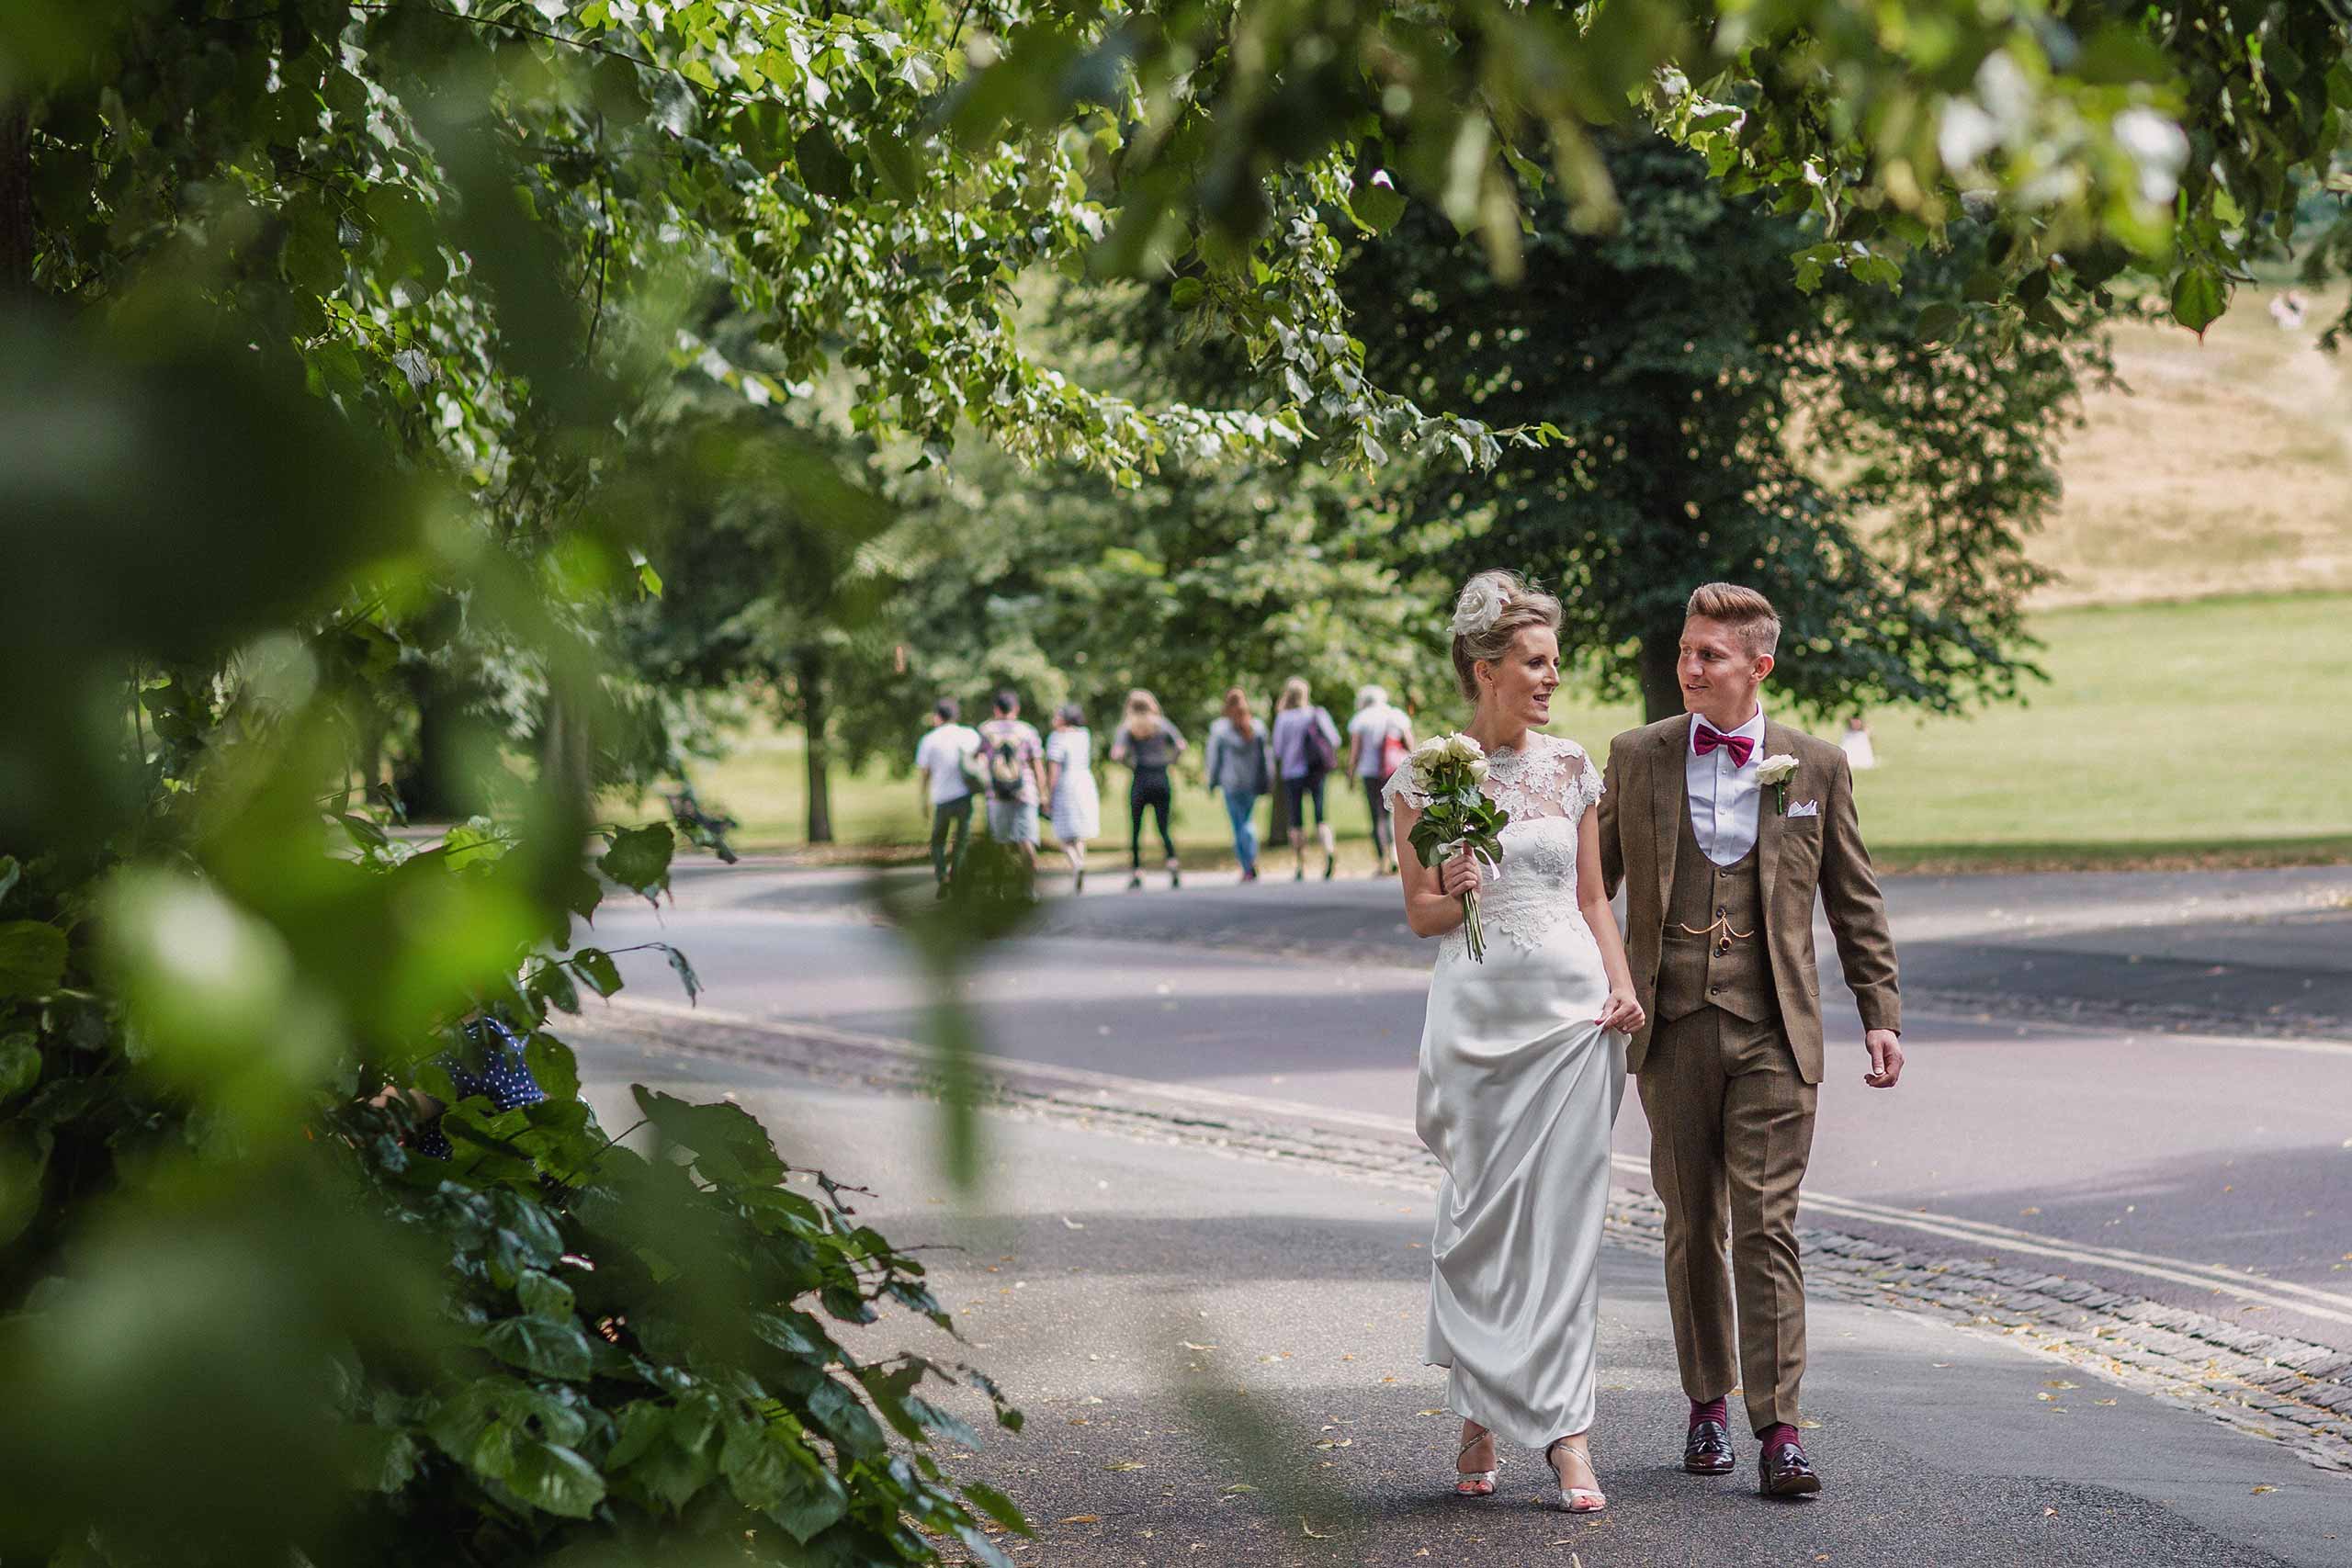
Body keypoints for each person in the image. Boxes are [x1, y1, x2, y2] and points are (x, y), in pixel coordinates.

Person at [1597, 582, 1903, 1501]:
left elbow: (1853, 898)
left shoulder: (1811, 765)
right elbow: (1589, 885)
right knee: (1694, 1223)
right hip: (1673, 1027)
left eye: (1708, 656)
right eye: (1685, 651)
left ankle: (1779, 1429)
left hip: (1775, 1029)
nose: (1687, 668)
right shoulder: (1638, 756)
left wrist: (1878, 1012)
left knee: (1766, 1225)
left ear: (1758, 666)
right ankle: (1705, 1407)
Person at [1386, 570, 1644, 1514]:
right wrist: (1449, 882)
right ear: (1484, 668)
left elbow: (1590, 897)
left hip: (1575, 1021)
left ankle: (1568, 1436)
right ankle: (1478, 1411)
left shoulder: (1571, 767)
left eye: (1554, 665)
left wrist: (1621, 986)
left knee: (1566, 1229)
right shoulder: (1421, 779)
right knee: (1480, 1226)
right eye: (1534, 665)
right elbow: (1419, 916)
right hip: (1478, 1023)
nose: (1549, 680)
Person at [1108, 688, 1187, 891]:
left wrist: (1129, 764)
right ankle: (1172, 864)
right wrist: (1171, 761)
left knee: (1136, 829)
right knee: (1163, 828)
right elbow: (1181, 745)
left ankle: (1136, 872)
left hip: (1141, 778)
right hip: (1161, 777)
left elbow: (1116, 754)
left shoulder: (1128, 727)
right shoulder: (1161, 724)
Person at [1270, 677, 1340, 881]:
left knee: (1296, 819)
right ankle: (1328, 852)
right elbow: (1334, 739)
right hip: (1316, 771)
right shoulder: (1317, 713)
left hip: (1292, 773)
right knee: (1321, 816)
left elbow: (1278, 749)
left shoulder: (1283, 718)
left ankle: (1300, 865)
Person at [1204, 687, 1273, 882]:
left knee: (1238, 825)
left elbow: (1214, 759)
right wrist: (1268, 779)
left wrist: (1211, 781)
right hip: (1251, 782)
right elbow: (1265, 758)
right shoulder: (1257, 727)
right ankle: (1251, 861)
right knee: (1248, 821)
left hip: (1231, 783)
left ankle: (1247, 865)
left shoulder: (1220, 729)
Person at [913, 696, 981, 897]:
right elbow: (979, 757)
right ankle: (957, 877)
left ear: (937, 717)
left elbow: (925, 773)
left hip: (941, 797)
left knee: (937, 841)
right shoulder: (968, 735)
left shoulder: (929, 740)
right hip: (964, 795)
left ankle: (943, 876)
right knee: (961, 841)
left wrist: (923, 800)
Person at [1348, 683, 1417, 875]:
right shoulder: (1396, 715)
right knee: (1398, 814)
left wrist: (1350, 776)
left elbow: (1355, 752)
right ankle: (1397, 856)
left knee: (1376, 816)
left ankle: (1382, 860)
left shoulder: (1360, 719)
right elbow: (1410, 744)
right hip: (1397, 770)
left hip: (1371, 773)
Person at [976, 690, 1047, 873]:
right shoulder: (1028, 731)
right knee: (1026, 841)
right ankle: (1029, 890)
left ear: (996, 709)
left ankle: (999, 889)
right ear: (1016, 708)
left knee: (1000, 843)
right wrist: (1043, 794)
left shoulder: (985, 730)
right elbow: (1037, 765)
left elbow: (978, 761)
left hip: (996, 793)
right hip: (1025, 792)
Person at [1045, 703, 1101, 893]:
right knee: (1078, 831)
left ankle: (1076, 863)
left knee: (1062, 832)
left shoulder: (1057, 738)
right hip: (1085, 782)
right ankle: (1081, 862)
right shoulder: (1084, 735)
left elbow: (1054, 769)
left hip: (1066, 784)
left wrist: (1048, 795)